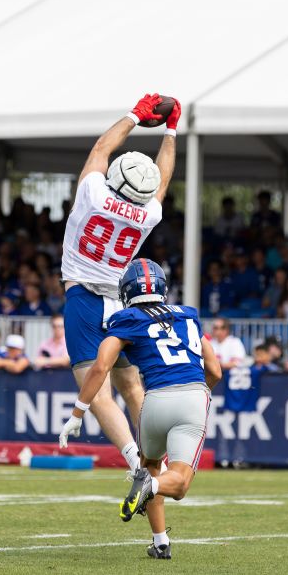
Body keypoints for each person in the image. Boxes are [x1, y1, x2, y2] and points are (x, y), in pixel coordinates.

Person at [59, 259, 222, 560]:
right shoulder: (188, 315)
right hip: (190, 396)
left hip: (154, 402)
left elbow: (100, 368)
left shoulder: (125, 319)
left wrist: (78, 412)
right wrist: (200, 394)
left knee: (149, 465)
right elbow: (214, 370)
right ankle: (151, 486)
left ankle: (160, 542)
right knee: (179, 482)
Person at [60, 93, 178, 473]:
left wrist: (133, 115)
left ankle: (134, 461)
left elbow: (101, 148)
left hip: (84, 297)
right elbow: (164, 182)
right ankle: (157, 455)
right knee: (132, 387)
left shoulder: (93, 193)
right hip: (122, 303)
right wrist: (170, 131)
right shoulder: (149, 214)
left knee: (99, 394)